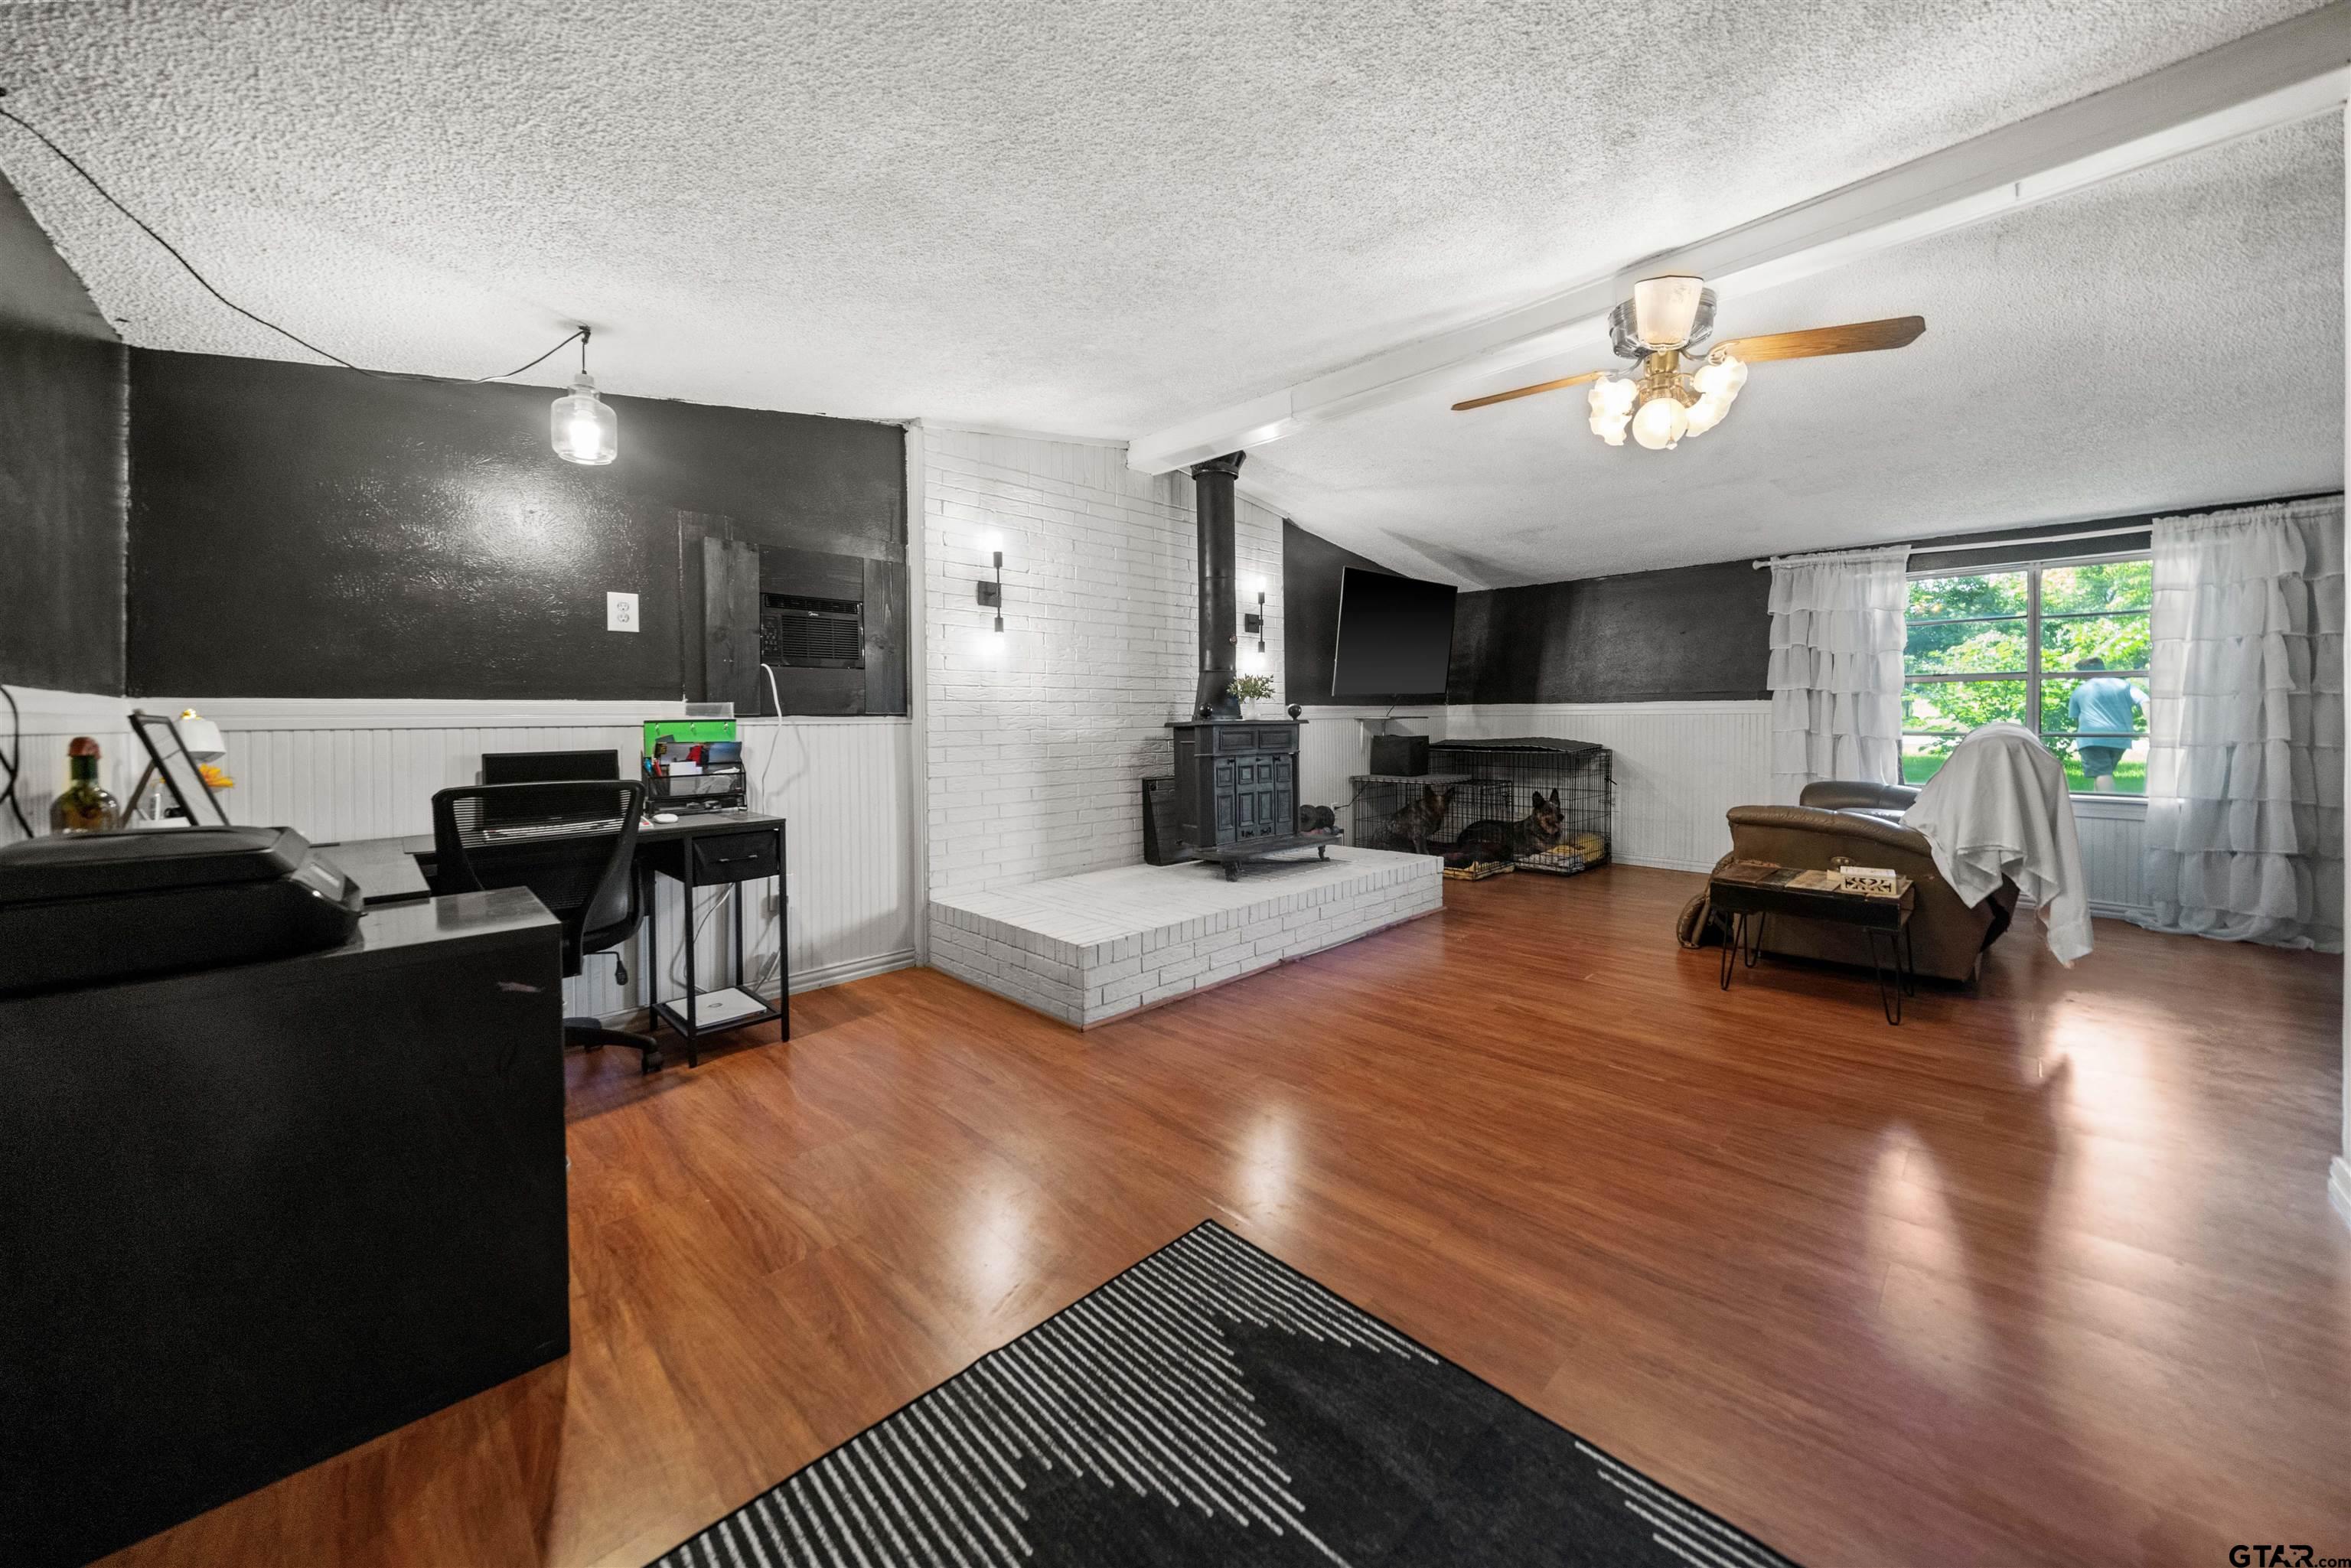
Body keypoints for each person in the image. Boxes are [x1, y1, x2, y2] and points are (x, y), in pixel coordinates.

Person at [2066, 657, 2147, 792]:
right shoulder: (2123, 685)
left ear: (2083, 673)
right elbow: (2145, 700)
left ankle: (2109, 806)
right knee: (2101, 773)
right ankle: (2098, 804)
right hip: (2120, 739)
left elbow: (2076, 719)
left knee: (2102, 774)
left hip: (2092, 739)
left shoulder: (2080, 690)